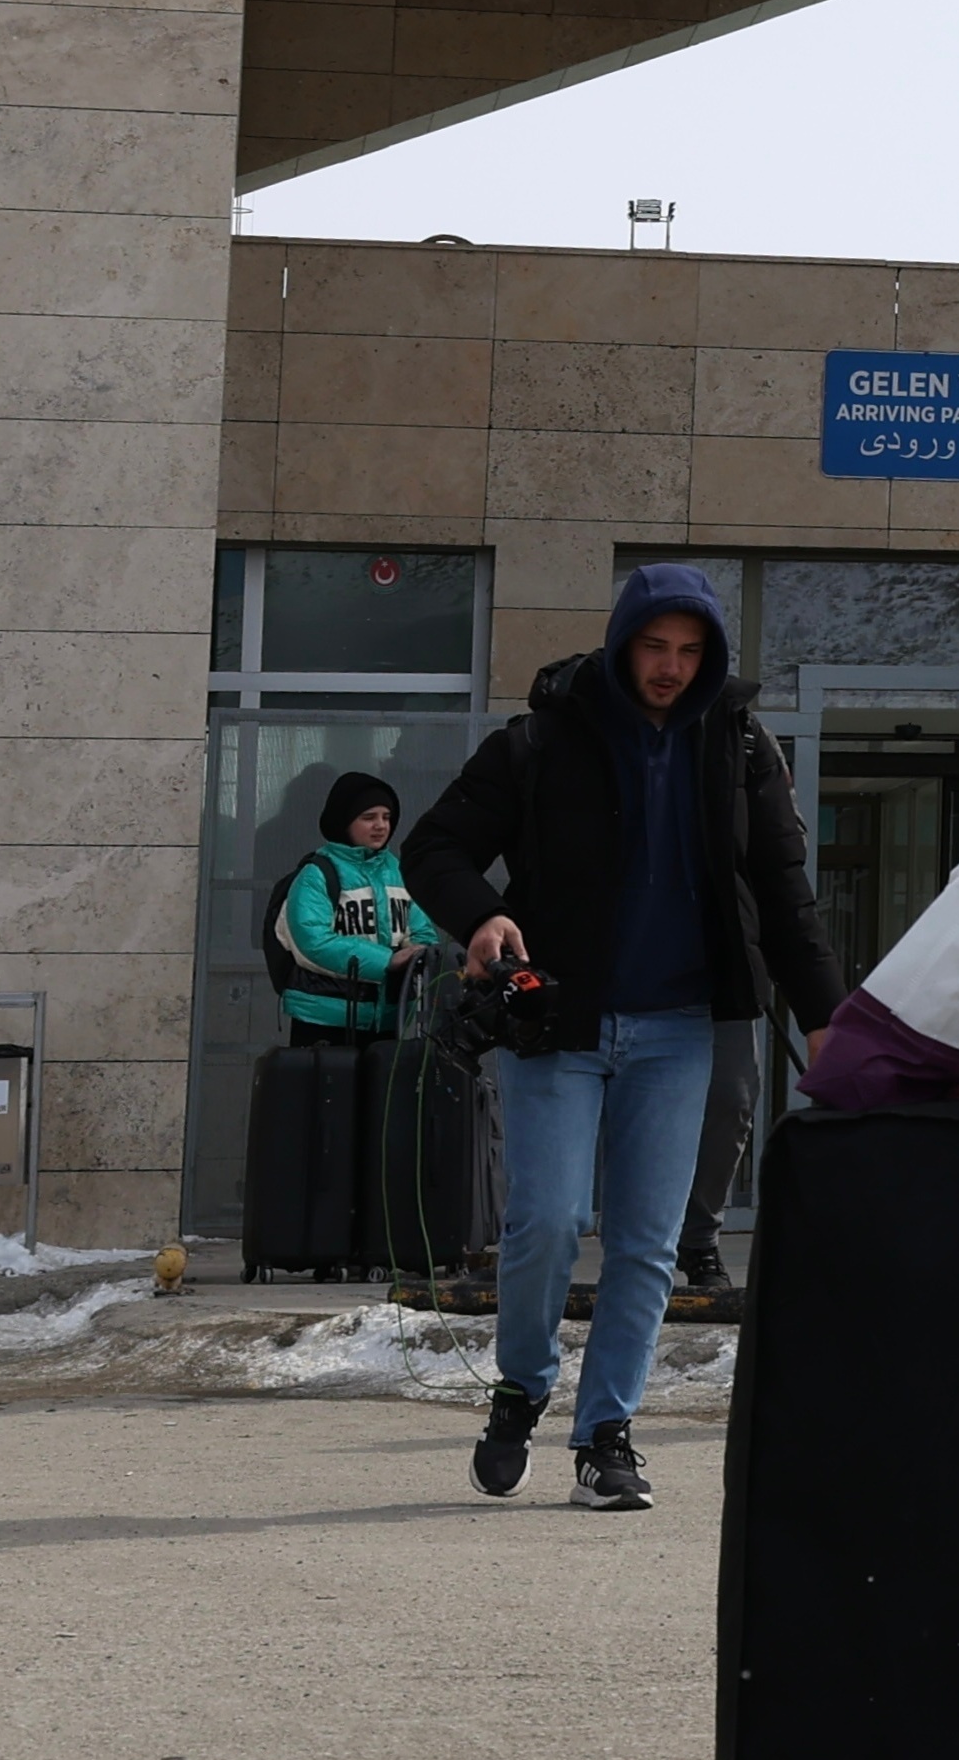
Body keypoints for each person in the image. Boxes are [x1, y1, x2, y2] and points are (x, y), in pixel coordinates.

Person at [407, 566, 845, 1513]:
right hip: (557, 1022)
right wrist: (482, 917)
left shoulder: (737, 744)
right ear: (621, 642)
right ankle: (520, 1388)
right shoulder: (541, 737)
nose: (671, 669)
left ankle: (606, 1433)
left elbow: (783, 891)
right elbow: (433, 847)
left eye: (691, 652)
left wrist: (827, 1017)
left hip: (680, 1026)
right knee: (549, 1223)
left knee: (646, 1243)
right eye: (655, 647)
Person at [268, 774, 436, 1036]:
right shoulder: (317, 874)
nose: (380, 826)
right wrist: (387, 961)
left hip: (389, 1018)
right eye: (368, 817)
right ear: (344, 822)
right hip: (325, 1019)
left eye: (386, 817)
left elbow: (421, 931)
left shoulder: (399, 871)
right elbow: (313, 942)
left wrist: (419, 952)